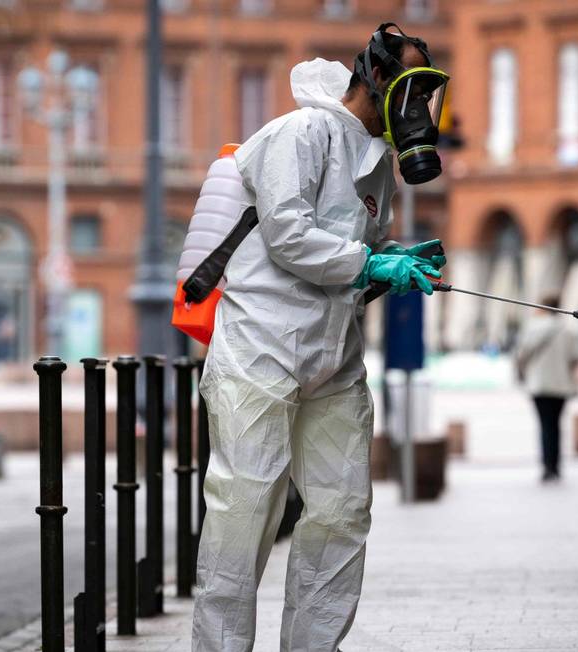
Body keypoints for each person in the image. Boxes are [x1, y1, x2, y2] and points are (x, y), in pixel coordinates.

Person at [193, 23, 449, 652]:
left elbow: (349, 262)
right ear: (377, 78)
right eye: (411, 92)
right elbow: (287, 232)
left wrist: (391, 261)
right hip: (259, 352)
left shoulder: (378, 166)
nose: (419, 110)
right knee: (244, 512)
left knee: (341, 515)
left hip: (333, 360)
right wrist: (370, 263)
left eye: (427, 96)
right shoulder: (301, 132)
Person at [514, 296, 578, 482]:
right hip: (561, 385)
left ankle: (547, 466)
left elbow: (521, 355)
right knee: (556, 425)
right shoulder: (569, 329)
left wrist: (521, 375)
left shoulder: (532, 327)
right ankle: (556, 465)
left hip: (539, 384)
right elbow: (576, 358)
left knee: (545, 425)